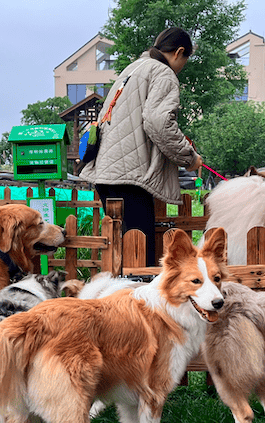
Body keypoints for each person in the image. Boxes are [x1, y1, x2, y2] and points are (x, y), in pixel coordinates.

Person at [79, 27, 203, 267]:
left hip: (106, 174)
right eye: (185, 60)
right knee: (139, 257)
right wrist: (189, 158)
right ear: (179, 52)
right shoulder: (163, 73)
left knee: (121, 254)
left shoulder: (132, 69)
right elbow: (158, 123)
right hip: (131, 177)